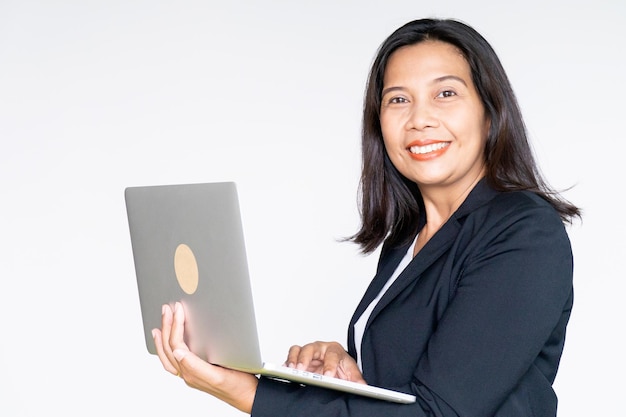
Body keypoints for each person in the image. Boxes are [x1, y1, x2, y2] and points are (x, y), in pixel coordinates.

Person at [152, 18, 581, 417]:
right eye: (398, 100)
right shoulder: (406, 240)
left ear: (490, 111)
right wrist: (350, 372)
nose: (420, 119)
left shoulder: (524, 233)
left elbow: (439, 413)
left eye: (445, 93)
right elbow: (406, 389)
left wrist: (247, 392)